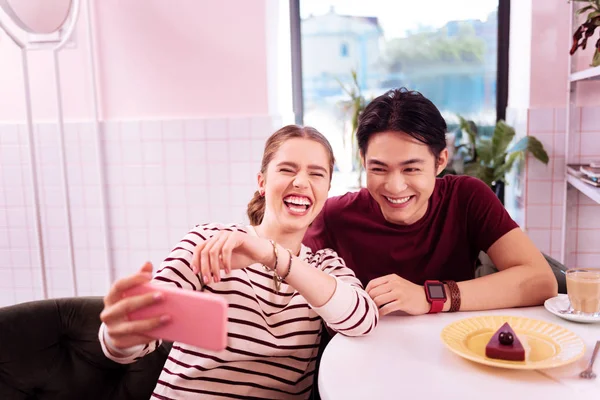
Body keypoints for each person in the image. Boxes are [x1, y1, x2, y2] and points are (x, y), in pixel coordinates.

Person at [98, 125, 378, 399]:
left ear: (327, 190)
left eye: (316, 174)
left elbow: (363, 319)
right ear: (262, 183)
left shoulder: (323, 266)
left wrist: (270, 254)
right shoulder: (208, 240)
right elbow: (143, 330)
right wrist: (119, 338)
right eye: (287, 169)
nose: (301, 182)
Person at [303, 88, 558, 317]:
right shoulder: (334, 215)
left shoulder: (467, 197)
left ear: (441, 161)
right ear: (363, 160)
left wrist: (430, 297)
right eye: (379, 169)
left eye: (411, 169)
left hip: (453, 349)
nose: (394, 186)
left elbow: (541, 280)